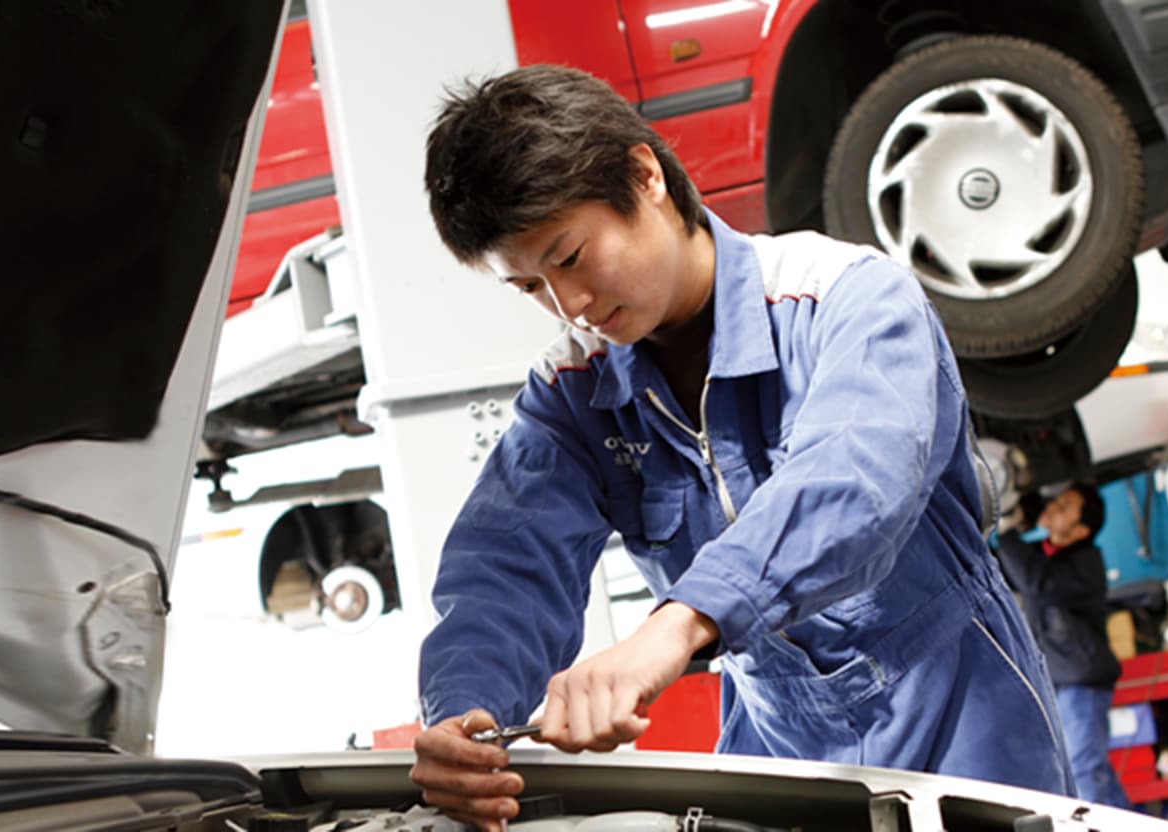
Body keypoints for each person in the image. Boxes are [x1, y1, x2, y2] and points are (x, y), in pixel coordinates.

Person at [410, 64, 1073, 831]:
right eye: (529, 288)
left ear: (643, 174)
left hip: (963, 725)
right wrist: (464, 715)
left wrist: (681, 620)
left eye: (567, 258)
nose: (572, 307)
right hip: (778, 752)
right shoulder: (573, 397)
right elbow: (504, 567)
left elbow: (853, 483)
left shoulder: (847, 299)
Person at [995, 483, 1130, 809]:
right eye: (1058, 500)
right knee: (1093, 770)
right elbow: (1001, 570)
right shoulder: (1043, 554)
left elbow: (1034, 582)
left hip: (1080, 681)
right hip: (1056, 679)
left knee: (1084, 767)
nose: (1055, 507)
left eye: (1066, 507)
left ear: (1080, 530)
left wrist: (1009, 530)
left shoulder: (1086, 564)